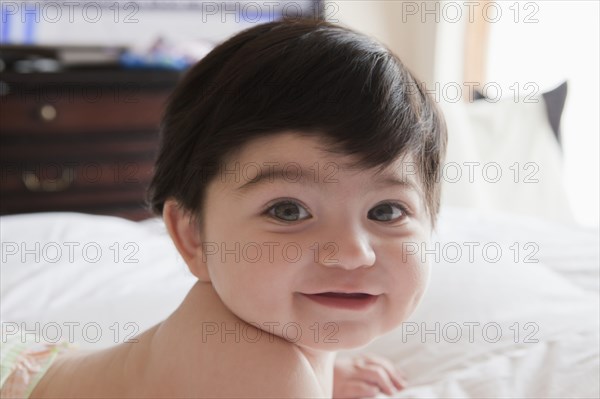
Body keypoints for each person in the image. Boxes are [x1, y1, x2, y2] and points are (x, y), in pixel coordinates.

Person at [2, 18, 447, 398]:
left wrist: (326, 372)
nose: (352, 253)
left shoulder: (271, 327)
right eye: (288, 211)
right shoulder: (260, 375)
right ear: (194, 237)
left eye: (386, 211)